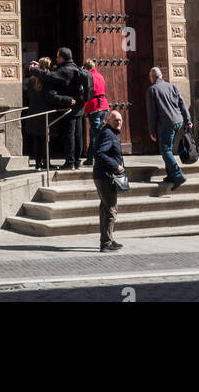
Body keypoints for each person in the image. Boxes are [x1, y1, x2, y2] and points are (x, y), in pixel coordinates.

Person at [31, 47, 83, 169]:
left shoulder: (64, 71)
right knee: (75, 135)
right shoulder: (74, 68)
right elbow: (52, 75)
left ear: (63, 58)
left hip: (64, 110)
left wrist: (35, 70)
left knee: (68, 135)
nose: (56, 59)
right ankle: (75, 161)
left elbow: (50, 76)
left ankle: (69, 162)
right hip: (74, 109)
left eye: (58, 57)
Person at [146, 65, 191, 190]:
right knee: (168, 148)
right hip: (178, 121)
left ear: (152, 77)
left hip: (167, 123)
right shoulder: (172, 86)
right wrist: (188, 120)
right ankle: (170, 174)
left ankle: (178, 175)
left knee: (165, 150)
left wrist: (151, 131)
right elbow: (182, 103)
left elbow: (152, 113)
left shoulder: (152, 90)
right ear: (161, 76)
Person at [92, 109, 125, 252]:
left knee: (105, 209)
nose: (119, 123)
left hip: (104, 176)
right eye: (115, 120)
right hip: (105, 177)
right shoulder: (108, 134)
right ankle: (106, 243)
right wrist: (116, 166)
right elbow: (100, 153)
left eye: (120, 120)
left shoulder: (110, 133)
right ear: (108, 121)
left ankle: (108, 239)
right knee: (111, 210)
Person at [23, 57, 61, 171]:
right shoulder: (49, 79)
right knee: (47, 140)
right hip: (47, 113)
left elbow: (29, 95)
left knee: (37, 139)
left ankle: (38, 163)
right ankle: (46, 162)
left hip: (35, 112)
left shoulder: (31, 80)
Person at [83, 59, 110, 164]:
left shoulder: (89, 76)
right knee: (94, 133)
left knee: (97, 134)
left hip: (94, 106)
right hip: (103, 104)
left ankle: (101, 157)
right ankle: (90, 158)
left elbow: (89, 91)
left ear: (86, 68)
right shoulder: (100, 76)